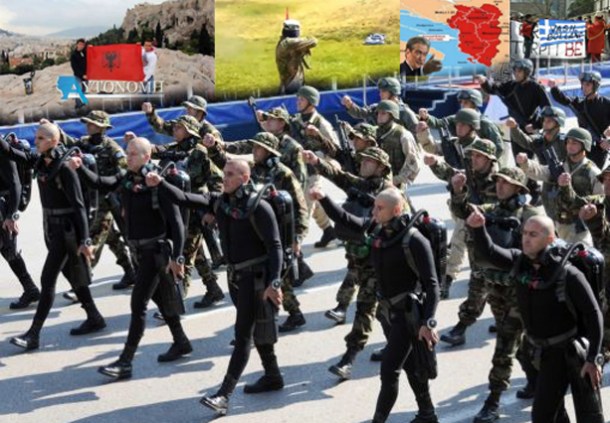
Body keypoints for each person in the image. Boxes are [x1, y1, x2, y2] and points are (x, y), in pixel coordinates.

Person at [147, 159, 283, 415]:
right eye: (224, 173)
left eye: (231, 174)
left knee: (243, 334)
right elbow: (183, 198)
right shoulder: (221, 202)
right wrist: (161, 182)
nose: (225, 178)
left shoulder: (259, 207)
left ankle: (224, 395)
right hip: (236, 278)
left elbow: (275, 247)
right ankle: (273, 375)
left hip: (256, 279)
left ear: (244, 178)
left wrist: (274, 282)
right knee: (256, 329)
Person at [312, 187, 440, 423]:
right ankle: (428, 413)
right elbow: (345, 219)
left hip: (407, 316)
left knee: (389, 371)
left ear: (397, 210)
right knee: (410, 365)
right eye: (374, 207)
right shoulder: (378, 228)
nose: (374, 212)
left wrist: (428, 322)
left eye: (380, 208)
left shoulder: (415, 240)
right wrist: (324, 198)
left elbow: (432, 285)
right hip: (388, 313)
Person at [67, 137, 190, 379]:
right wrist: (80, 168)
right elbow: (101, 183)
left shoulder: (157, 182)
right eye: (127, 152)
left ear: (146, 157)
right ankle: (181, 341)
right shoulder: (127, 178)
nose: (128, 156)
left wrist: (178, 257)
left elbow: (177, 224)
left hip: (155, 253)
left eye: (133, 153)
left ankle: (126, 361)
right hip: (138, 252)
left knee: (138, 304)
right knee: (160, 299)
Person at [467, 212, 605, 423]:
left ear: (550, 239)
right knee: (555, 412)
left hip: (562, 353)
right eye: (524, 233)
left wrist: (593, 358)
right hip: (533, 351)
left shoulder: (567, 274)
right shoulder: (520, 262)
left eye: (533, 234)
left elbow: (594, 314)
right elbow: (489, 252)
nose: (526, 239)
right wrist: (478, 228)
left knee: (543, 415)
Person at [450, 167, 542, 422]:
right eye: (498, 182)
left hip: (519, 292)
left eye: (506, 183)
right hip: (495, 289)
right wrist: (457, 191)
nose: (499, 186)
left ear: (518, 188)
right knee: (519, 344)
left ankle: (492, 402)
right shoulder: (491, 210)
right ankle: (535, 381)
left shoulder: (530, 215)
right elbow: (464, 211)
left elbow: (545, 249)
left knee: (504, 346)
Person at [5, 123, 104, 351]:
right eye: (36, 137)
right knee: (71, 273)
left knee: (47, 279)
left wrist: (85, 240)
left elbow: (79, 206)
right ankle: (94, 316)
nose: (36, 141)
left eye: (40, 138)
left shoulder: (65, 168)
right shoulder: (41, 162)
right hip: (51, 228)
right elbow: (11, 152)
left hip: (66, 232)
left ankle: (33, 334)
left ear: (53, 141)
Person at [303, 146, 395, 379]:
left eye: (369, 161)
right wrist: (316, 161)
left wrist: (325, 201)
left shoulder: (389, 194)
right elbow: (339, 175)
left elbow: (364, 224)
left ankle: (348, 359)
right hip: (357, 258)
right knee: (383, 311)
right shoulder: (361, 184)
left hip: (378, 263)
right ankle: (398, 345)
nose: (362, 163)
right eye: (362, 160)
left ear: (381, 168)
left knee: (365, 308)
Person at [204, 132, 309, 333]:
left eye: (259, 148)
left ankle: (275, 321)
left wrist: (298, 238)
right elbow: (227, 164)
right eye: (254, 147)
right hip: (256, 230)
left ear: (269, 151)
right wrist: (213, 148)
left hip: (277, 231)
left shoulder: (283, 173)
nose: (254, 151)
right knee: (272, 278)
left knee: (278, 276)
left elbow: (300, 206)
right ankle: (286, 316)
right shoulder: (252, 169)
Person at [60, 111, 136, 291]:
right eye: (87, 123)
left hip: (112, 200)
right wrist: (56, 130)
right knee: (110, 237)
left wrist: (120, 194)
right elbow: (69, 143)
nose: (88, 126)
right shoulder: (84, 143)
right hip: (93, 199)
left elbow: (126, 171)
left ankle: (81, 284)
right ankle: (129, 271)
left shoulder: (112, 147)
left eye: (92, 124)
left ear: (102, 127)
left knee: (97, 239)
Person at [517, 127, 603, 245]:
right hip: (559, 223)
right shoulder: (561, 166)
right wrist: (526, 163)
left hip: (581, 227)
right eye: (568, 142)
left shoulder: (592, 172)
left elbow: (601, 199)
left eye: (574, 143)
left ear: (585, 146)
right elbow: (541, 172)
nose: (570, 146)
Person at [291, 85, 340, 248]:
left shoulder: (322, 124)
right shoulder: (296, 121)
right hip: (298, 170)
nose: (298, 102)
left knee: (303, 207)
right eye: (298, 98)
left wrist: (315, 156)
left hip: (313, 171)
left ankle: (295, 246)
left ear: (311, 102)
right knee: (314, 199)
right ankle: (328, 230)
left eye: (302, 99)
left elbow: (335, 150)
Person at [0, 134, 39, 310]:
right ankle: (30, 288)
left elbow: (15, 183)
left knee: (9, 250)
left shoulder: (3, 149)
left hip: (4, 207)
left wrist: (11, 216)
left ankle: (30, 289)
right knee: (7, 250)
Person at [549, 72, 610, 169]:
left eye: (588, 84)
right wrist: (554, 87)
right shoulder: (579, 103)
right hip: (582, 147)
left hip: (599, 149)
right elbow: (563, 99)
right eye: (583, 84)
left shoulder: (606, 104)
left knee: (592, 174)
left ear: (595, 86)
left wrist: (608, 141)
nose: (584, 87)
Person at [342, 77, 419, 135]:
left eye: (384, 91)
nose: (380, 94)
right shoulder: (376, 108)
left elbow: (417, 135)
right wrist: (350, 105)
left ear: (393, 92)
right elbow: (360, 113)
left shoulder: (405, 113)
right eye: (380, 91)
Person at [275, 19, 317, 94]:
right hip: (291, 84)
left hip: (290, 82)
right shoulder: (289, 43)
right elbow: (313, 41)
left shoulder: (284, 42)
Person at [70, 38, 87, 110]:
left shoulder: (84, 53)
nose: (81, 46)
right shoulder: (74, 55)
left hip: (85, 76)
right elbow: (74, 67)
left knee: (84, 89)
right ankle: (78, 105)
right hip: (78, 76)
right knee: (78, 90)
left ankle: (82, 103)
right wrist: (82, 75)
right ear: (77, 45)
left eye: (83, 45)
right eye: (80, 44)